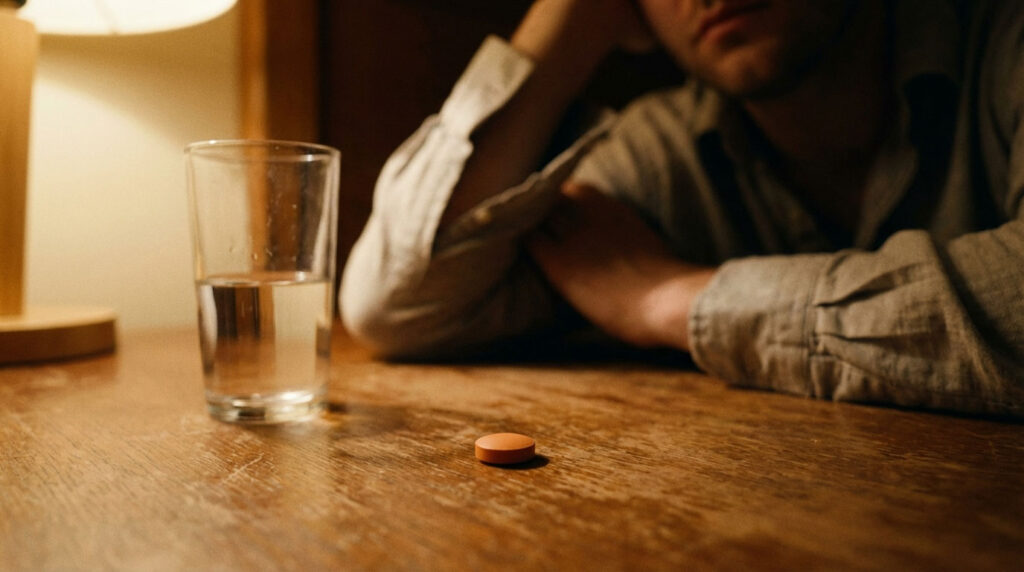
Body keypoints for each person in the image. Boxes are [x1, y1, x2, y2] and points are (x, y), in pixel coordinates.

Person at [340, 0, 1024, 417]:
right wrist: (572, 22)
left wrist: (673, 300)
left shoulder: (1002, 44)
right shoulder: (663, 148)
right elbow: (396, 306)